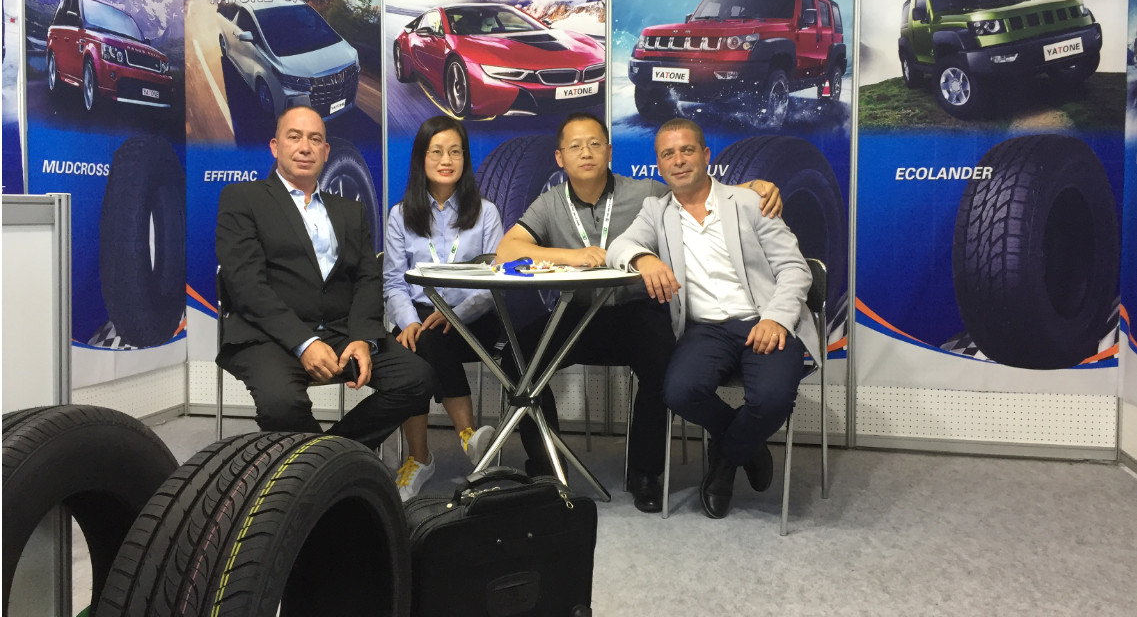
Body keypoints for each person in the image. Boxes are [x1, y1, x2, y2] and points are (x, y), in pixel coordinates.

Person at [495, 112, 783, 513]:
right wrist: (571, 256)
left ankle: (646, 473)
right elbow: (507, 250)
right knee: (517, 360)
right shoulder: (549, 203)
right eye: (575, 146)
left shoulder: (646, 192)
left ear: (610, 151)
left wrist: (753, 187)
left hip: (638, 310)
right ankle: (548, 467)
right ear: (560, 158)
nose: (586, 153)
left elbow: (698, 189)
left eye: (594, 144)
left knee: (662, 365)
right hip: (577, 315)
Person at [606, 118, 821, 519]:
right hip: (705, 330)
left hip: (764, 320)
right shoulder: (657, 210)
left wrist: (776, 318)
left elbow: (795, 268)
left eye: (687, 150)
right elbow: (619, 246)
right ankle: (745, 444)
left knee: (772, 399)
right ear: (659, 165)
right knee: (678, 392)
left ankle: (725, 461)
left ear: (705, 155)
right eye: (668, 154)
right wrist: (643, 257)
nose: (678, 160)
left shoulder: (751, 202)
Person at [216, 105, 434, 445]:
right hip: (269, 336)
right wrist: (304, 343)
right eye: (294, 137)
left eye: (315, 139)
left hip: (341, 332)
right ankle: (333, 463)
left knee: (418, 378)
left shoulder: (350, 211)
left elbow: (367, 278)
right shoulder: (243, 199)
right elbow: (246, 286)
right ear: (275, 147)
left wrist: (362, 338)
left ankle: (337, 453)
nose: (305, 147)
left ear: (326, 150)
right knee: (281, 404)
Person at [383, 116, 503, 500]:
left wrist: (457, 314)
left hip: (475, 318)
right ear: (421, 158)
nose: (446, 160)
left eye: (455, 151)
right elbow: (393, 281)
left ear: (465, 158)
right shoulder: (401, 215)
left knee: (427, 341)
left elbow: (495, 281)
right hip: (419, 317)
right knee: (417, 342)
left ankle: (421, 457)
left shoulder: (486, 213)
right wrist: (406, 321)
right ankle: (467, 438)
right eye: (436, 151)